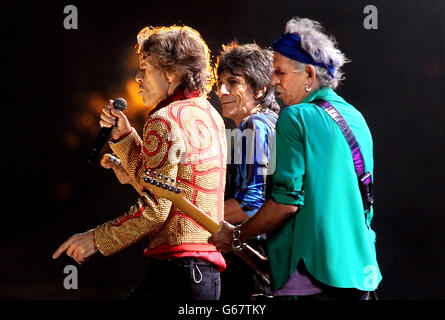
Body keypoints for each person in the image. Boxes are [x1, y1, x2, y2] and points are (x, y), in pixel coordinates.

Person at [209, 17, 382, 300]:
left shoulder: (295, 117)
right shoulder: (356, 117)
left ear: (310, 75)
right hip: (363, 274)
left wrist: (236, 237)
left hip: (314, 278)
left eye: (280, 72)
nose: (273, 80)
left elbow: (284, 205)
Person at [53, 25, 227, 300]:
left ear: (170, 73)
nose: (137, 77)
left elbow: (157, 207)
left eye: (145, 69)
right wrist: (123, 137)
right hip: (206, 277)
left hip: (176, 273)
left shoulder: (164, 119)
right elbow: (168, 191)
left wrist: (96, 239)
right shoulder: (210, 115)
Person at [216, 43, 279, 299]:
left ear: (261, 88)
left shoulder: (254, 125)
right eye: (220, 82)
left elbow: (250, 203)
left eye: (233, 82)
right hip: (266, 262)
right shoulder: (272, 123)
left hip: (251, 265)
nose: (221, 91)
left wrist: (190, 219)